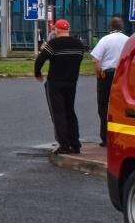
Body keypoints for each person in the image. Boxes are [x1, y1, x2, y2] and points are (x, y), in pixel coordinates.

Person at [35, 18, 85, 154]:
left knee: (58, 113)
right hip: (71, 82)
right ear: (68, 29)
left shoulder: (53, 43)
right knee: (70, 112)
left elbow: (40, 60)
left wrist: (37, 73)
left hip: (55, 82)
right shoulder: (78, 44)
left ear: (56, 30)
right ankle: (75, 144)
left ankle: (64, 145)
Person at [91, 16, 128, 147]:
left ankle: (106, 138)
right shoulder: (128, 40)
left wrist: (98, 74)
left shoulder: (105, 40)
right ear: (122, 27)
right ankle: (122, 138)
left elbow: (95, 60)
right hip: (123, 76)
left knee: (103, 106)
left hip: (107, 75)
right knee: (121, 107)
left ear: (110, 27)